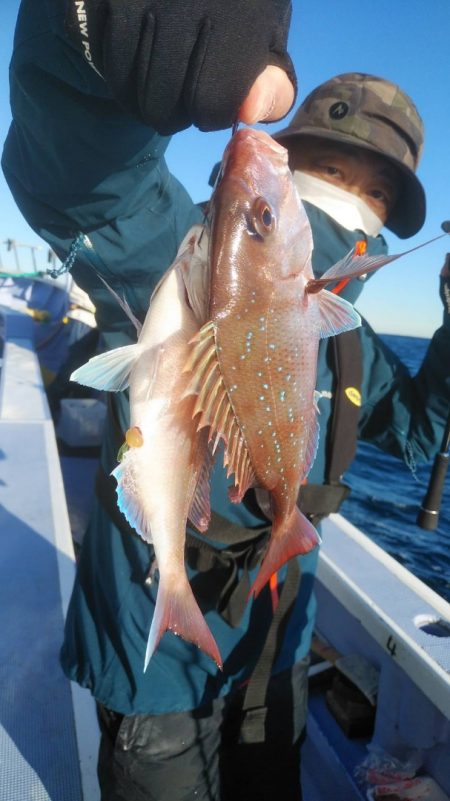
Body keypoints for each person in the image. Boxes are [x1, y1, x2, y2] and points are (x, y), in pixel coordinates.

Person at [2, 2, 449, 796]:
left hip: (277, 648)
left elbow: (418, 435)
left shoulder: (349, 336)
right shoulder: (182, 250)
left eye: (375, 189)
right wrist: (94, 30)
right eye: (333, 167)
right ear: (288, 157)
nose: (351, 199)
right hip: (158, 665)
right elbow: (81, 179)